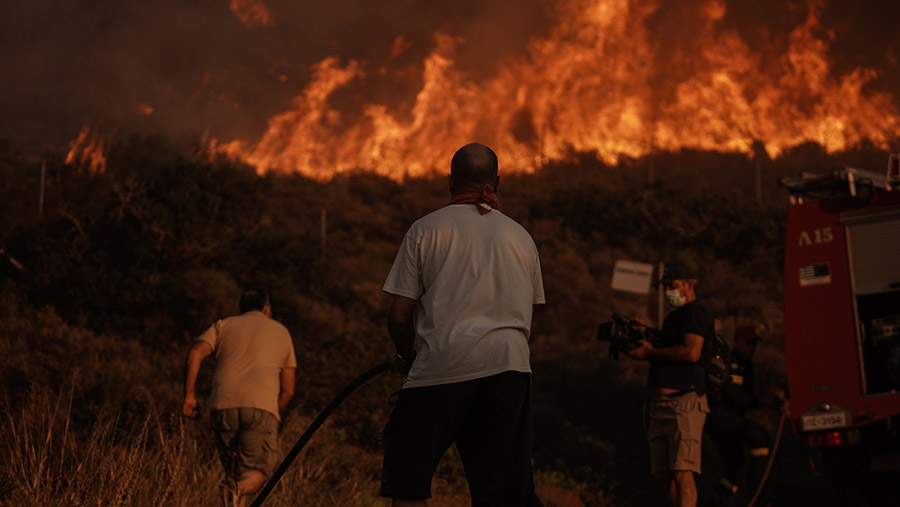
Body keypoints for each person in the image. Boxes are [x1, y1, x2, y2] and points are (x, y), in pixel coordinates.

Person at [380, 142, 545, 507]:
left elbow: (398, 315)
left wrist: (406, 356)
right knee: (506, 495)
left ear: (450, 181)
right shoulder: (521, 237)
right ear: (496, 182)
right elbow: (528, 310)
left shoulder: (425, 230)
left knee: (408, 485)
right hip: (509, 369)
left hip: (442, 369)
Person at [182, 287, 297, 507]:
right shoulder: (281, 331)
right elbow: (289, 390)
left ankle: (235, 488)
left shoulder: (223, 325)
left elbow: (195, 353)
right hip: (261, 406)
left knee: (236, 473)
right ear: (266, 308)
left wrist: (189, 396)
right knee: (257, 473)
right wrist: (272, 411)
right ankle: (237, 488)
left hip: (222, 406)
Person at [626, 260, 715, 507]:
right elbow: (668, 344)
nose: (667, 292)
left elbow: (691, 352)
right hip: (661, 407)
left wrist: (649, 354)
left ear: (689, 285)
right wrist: (646, 333)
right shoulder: (675, 317)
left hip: (683, 404)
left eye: (672, 286)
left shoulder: (696, 312)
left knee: (683, 472)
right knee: (663, 475)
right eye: (664, 287)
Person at [704, 325, 771, 502]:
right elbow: (736, 396)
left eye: (754, 343)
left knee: (734, 472)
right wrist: (762, 402)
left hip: (730, 419)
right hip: (719, 418)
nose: (752, 347)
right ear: (738, 341)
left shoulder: (746, 364)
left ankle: (714, 502)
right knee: (758, 436)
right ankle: (758, 500)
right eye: (749, 342)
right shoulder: (732, 362)